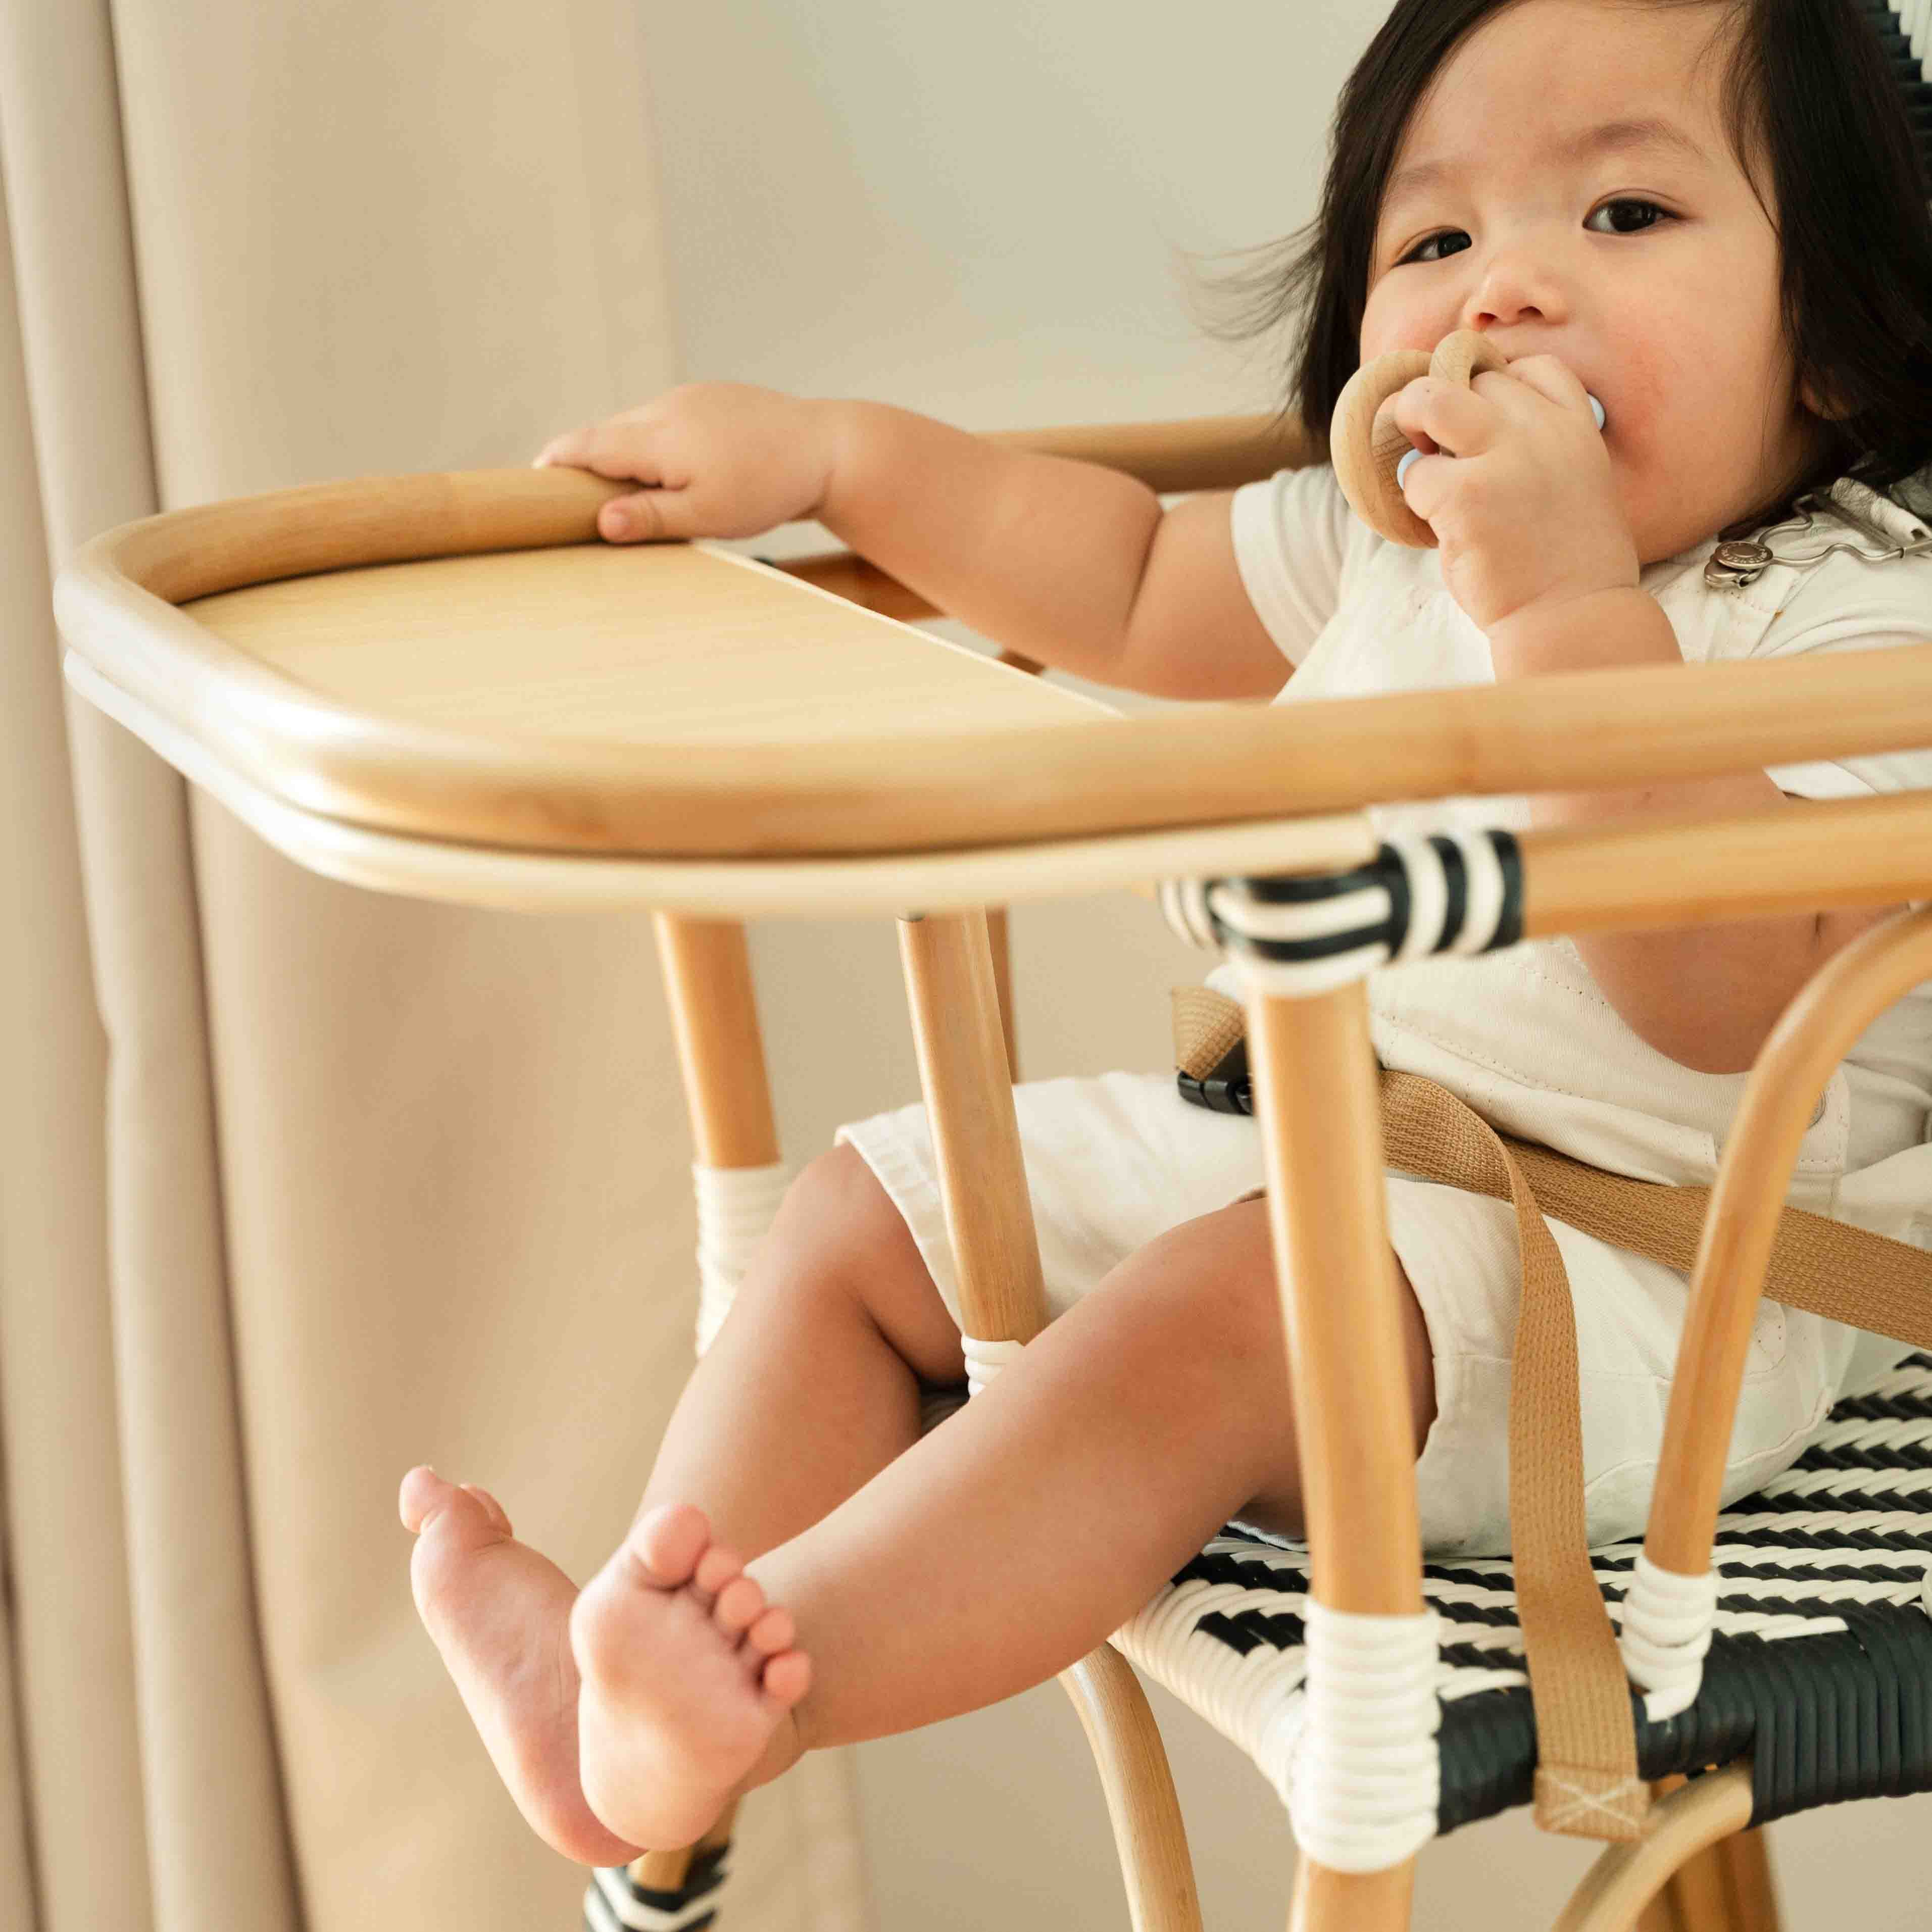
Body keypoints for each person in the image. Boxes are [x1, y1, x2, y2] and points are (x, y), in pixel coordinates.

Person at [398, 0, 1932, 1868]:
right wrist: (834, 460)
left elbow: (1719, 993)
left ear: (1844, 337)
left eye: (1622, 214)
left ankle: (767, 1687)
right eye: (1433, 241)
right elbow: (1119, 577)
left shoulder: (1865, 631)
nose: (1502, 294)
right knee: (868, 1216)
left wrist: (1560, 597)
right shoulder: (1391, 544)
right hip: (1311, 1164)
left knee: (1223, 1308)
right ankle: (629, 1695)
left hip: (1651, 1285)